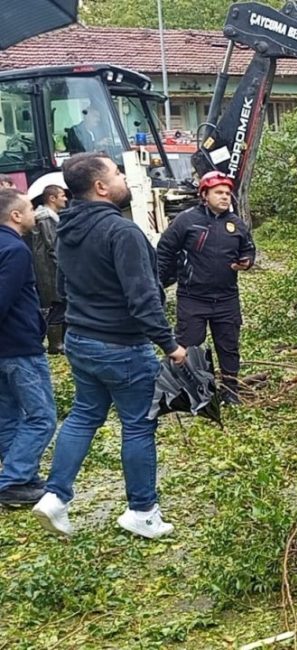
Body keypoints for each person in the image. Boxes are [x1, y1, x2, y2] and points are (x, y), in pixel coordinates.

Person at [32, 152, 186, 539]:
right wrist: (170, 345)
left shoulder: (68, 227)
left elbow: (64, 287)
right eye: (117, 173)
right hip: (122, 347)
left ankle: (54, 497)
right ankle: (142, 512)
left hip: (81, 341)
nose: (122, 179)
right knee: (137, 424)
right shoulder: (122, 232)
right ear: (101, 187)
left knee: (84, 415)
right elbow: (143, 298)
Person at [157, 171, 255, 404]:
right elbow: (164, 251)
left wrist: (247, 261)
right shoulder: (186, 220)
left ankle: (230, 391)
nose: (224, 197)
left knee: (228, 346)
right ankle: (191, 393)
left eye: (227, 193)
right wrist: (158, 283)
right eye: (218, 193)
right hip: (193, 297)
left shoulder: (236, 224)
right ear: (204, 195)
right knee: (189, 346)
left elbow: (249, 249)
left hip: (226, 298)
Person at [0, 189, 56, 506]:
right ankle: (11, 481)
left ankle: (22, 479)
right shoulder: (15, 250)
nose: (36, 212)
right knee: (42, 417)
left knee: (8, 416)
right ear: (16, 216)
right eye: (30, 208)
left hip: (4, 349)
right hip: (19, 348)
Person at [29, 185, 68, 354]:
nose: (65, 198)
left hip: (49, 268)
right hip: (50, 270)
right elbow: (53, 246)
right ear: (52, 198)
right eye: (62, 195)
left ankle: (59, 342)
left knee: (58, 306)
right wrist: (64, 267)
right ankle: (56, 344)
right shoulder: (46, 219)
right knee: (57, 305)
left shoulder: (48, 217)